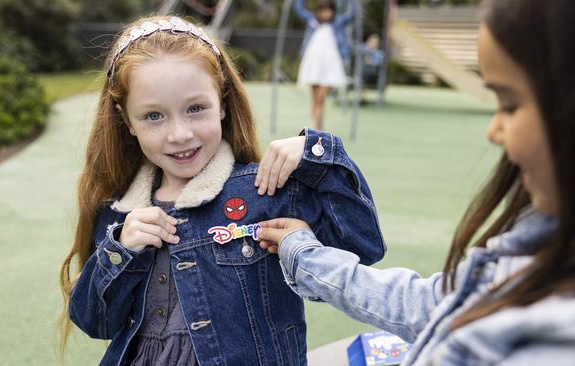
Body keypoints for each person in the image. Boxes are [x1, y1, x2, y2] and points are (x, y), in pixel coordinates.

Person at [257, 0, 575, 364]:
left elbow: (371, 248)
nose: (494, 131)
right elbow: (431, 303)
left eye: (509, 104)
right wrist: (304, 252)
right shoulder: (542, 241)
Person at [58, 15, 386, 365]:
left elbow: (362, 246)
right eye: (154, 116)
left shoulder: (266, 190)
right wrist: (121, 249)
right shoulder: (119, 213)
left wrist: (318, 157)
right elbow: (96, 321)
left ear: (223, 104)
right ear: (127, 121)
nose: (179, 134)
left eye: (195, 108)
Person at [294, 0, 355, 130]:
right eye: (322, 10)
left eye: (328, 10)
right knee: (315, 98)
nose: (325, 13)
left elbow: (353, 15)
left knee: (321, 97)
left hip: (330, 64)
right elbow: (299, 10)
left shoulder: (338, 23)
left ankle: (316, 127)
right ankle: (317, 126)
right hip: (314, 63)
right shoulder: (312, 21)